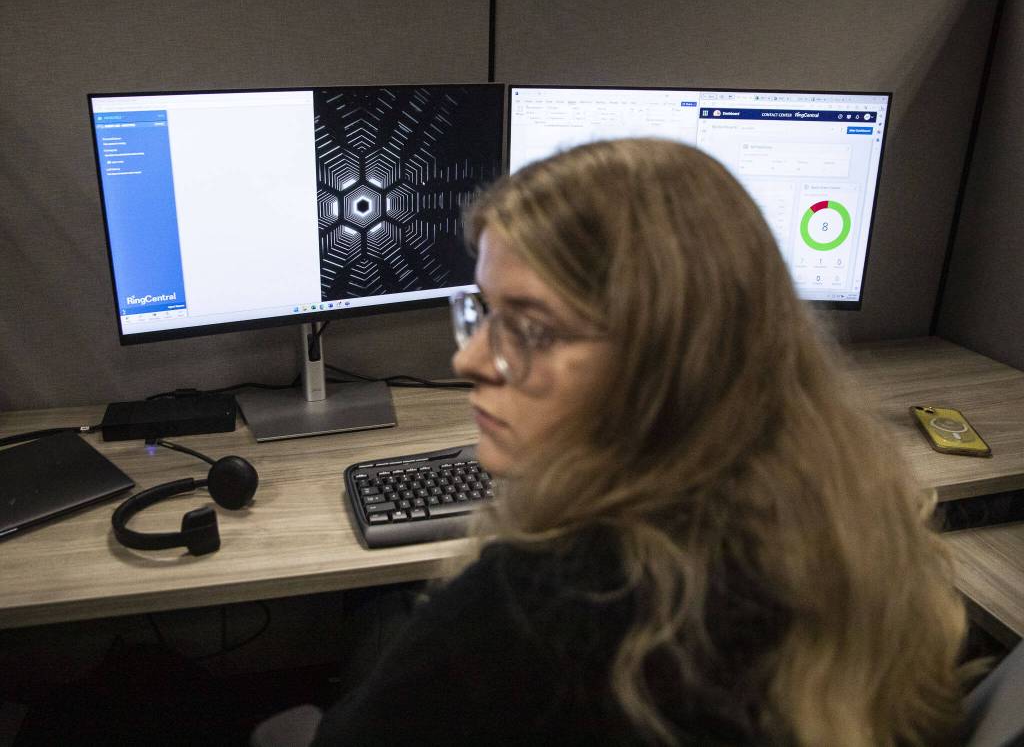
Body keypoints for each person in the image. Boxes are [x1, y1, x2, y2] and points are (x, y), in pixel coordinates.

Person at [310, 139, 969, 745]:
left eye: (532, 327)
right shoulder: (848, 530)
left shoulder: (536, 612)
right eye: (483, 312)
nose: (469, 360)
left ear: (665, 359)